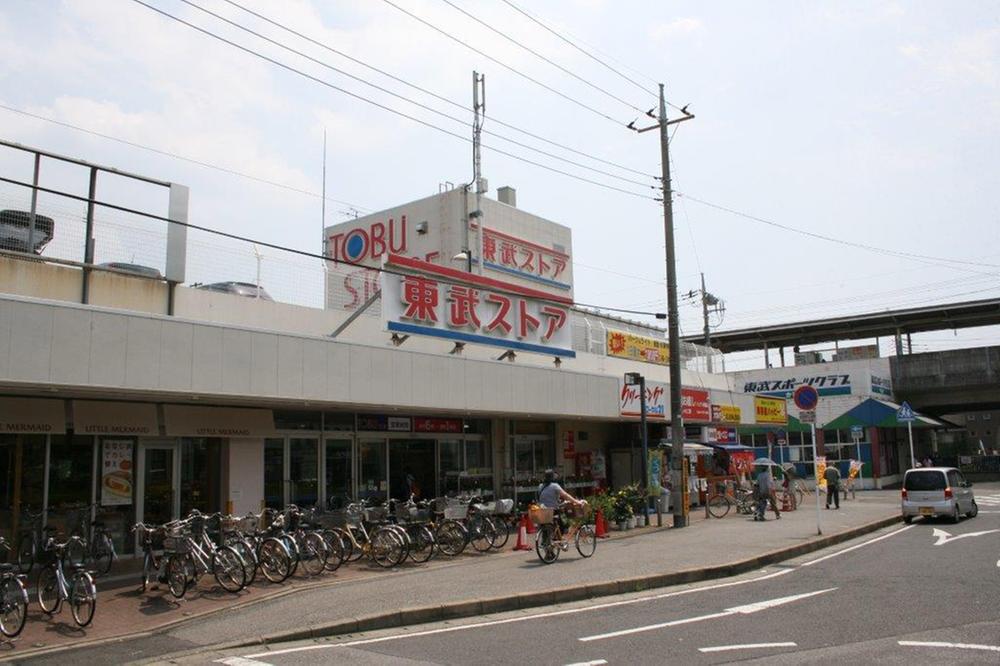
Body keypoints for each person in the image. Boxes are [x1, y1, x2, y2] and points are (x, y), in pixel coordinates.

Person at [538, 469, 586, 543]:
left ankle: (551, 541)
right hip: (553, 510)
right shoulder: (554, 486)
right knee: (564, 522)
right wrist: (577, 502)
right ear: (552, 477)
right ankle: (558, 538)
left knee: (549, 525)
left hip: (542, 510)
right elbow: (565, 495)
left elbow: (544, 498)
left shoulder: (540, 486)